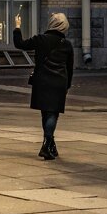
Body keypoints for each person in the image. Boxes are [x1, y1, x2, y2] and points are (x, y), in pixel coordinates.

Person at [13, 12, 74, 160]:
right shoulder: (67, 44)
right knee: (53, 114)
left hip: (42, 81)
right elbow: (70, 67)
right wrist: (67, 86)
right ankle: (48, 144)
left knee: (45, 113)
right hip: (59, 82)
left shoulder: (40, 39)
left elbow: (20, 44)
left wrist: (17, 26)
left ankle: (49, 144)